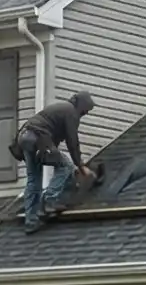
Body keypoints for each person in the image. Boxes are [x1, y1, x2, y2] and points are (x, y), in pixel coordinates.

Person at [13, 91, 95, 231]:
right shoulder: (70, 112)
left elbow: (53, 149)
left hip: (24, 138)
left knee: (34, 179)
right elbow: (72, 141)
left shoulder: (60, 110)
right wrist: (80, 166)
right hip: (38, 137)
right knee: (66, 166)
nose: (85, 114)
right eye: (86, 110)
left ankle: (31, 220)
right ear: (81, 105)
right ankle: (50, 200)